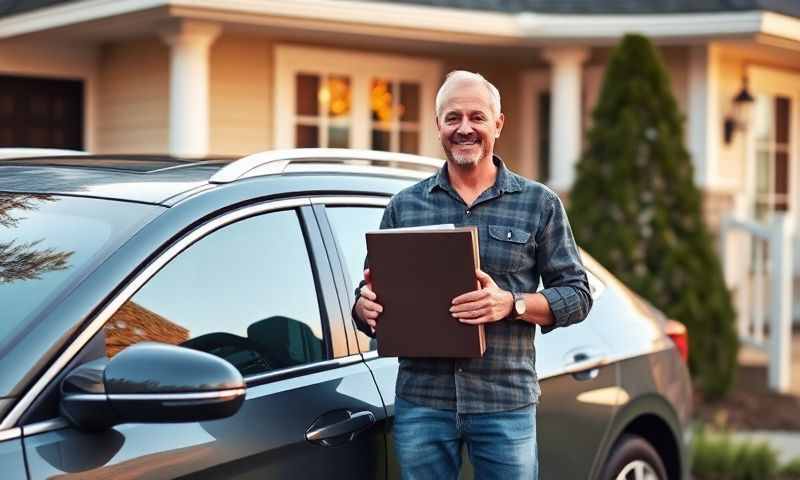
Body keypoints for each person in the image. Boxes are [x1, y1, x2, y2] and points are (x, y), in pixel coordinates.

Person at [353, 70, 592, 480]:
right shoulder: (404, 207)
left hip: (505, 402)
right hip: (422, 402)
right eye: (453, 118)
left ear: (498, 124)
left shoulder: (540, 204)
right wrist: (364, 306)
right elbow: (373, 297)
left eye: (477, 117)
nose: (465, 128)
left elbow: (578, 295)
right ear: (438, 126)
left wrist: (511, 304)